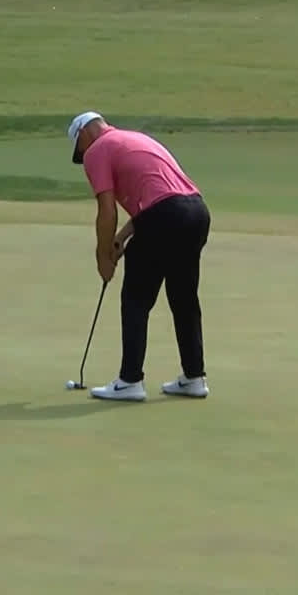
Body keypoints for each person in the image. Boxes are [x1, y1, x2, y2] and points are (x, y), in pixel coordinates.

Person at [69, 111, 211, 402]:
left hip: (165, 216)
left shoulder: (97, 150)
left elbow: (107, 209)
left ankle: (130, 381)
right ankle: (194, 377)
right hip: (195, 213)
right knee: (183, 298)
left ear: (84, 134)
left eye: (79, 151)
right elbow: (159, 198)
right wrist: (120, 238)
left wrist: (102, 256)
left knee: (135, 298)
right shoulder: (135, 139)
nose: (83, 158)